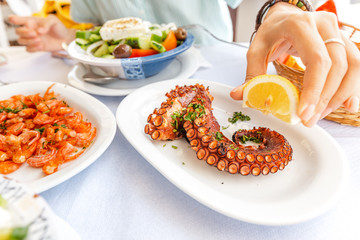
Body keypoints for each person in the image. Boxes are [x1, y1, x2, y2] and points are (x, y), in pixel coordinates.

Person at [8, 0, 360, 127]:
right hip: (115, 92)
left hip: (219, 72)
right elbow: (95, 30)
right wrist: (62, 36)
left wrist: (282, 8)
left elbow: (275, 2)